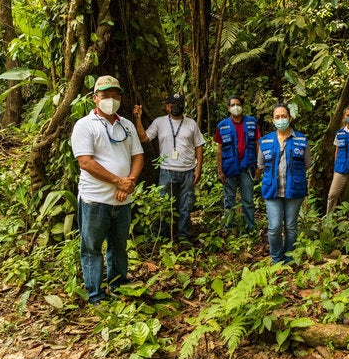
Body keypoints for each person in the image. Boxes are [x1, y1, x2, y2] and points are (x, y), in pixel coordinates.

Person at [71, 75, 144, 304]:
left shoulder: (127, 125)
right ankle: (96, 294)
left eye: (115, 96)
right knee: (92, 248)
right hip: (95, 199)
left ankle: (119, 286)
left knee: (119, 246)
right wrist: (117, 181)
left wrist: (129, 182)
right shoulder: (85, 125)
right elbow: (85, 162)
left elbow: (138, 156)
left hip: (122, 200)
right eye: (105, 95)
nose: (110, 100)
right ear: (95, 98)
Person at [132, 93, 205, 241]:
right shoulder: (159, 122)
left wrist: (198, 169)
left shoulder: (191, 123)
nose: (177, 107)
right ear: (167, 107)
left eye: (179, 104)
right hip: (167, 171)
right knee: (163, 205)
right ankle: (162, 236)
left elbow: (199, 146)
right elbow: (144, 138)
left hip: (187, 171)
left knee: (185, 206)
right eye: (173, 104)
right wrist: (138, 118)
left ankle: (183, 236)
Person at [257, 103, 310, 263]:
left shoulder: (302, 140)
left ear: (290, 118)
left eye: (284, 116)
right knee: (274, 227)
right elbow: (260, 164)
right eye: (277, 117)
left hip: (294, 189)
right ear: (273, 120)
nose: (281, 120)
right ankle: (276, 259)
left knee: (291, 226)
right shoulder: (265, 141)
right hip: (272, 191)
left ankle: (289, 258)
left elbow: (307, 164)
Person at [214, 95, 261, 231]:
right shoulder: (222, 126)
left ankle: (250, 228)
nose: (236, 107)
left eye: (238, 104)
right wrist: (220, 171)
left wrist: (259, 165)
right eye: (233, 105)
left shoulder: (252, 122)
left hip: (248, 167)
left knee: (248, 200)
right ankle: (228, 227)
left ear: (242, 106)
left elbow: (258, 144)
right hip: (229, 168)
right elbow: (219, 149)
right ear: (228, 108)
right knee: (229, 200)